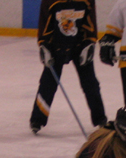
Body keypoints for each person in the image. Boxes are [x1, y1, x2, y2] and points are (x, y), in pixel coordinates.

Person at [29, 0, 107, 133]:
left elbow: (91, 23)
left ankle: (100, 118)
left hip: (80, 46)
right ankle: (37, 119)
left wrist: (90, 44)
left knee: (90, 83)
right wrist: (44, 45)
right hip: (56, 48)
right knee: (47, 84)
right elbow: (44, 24)